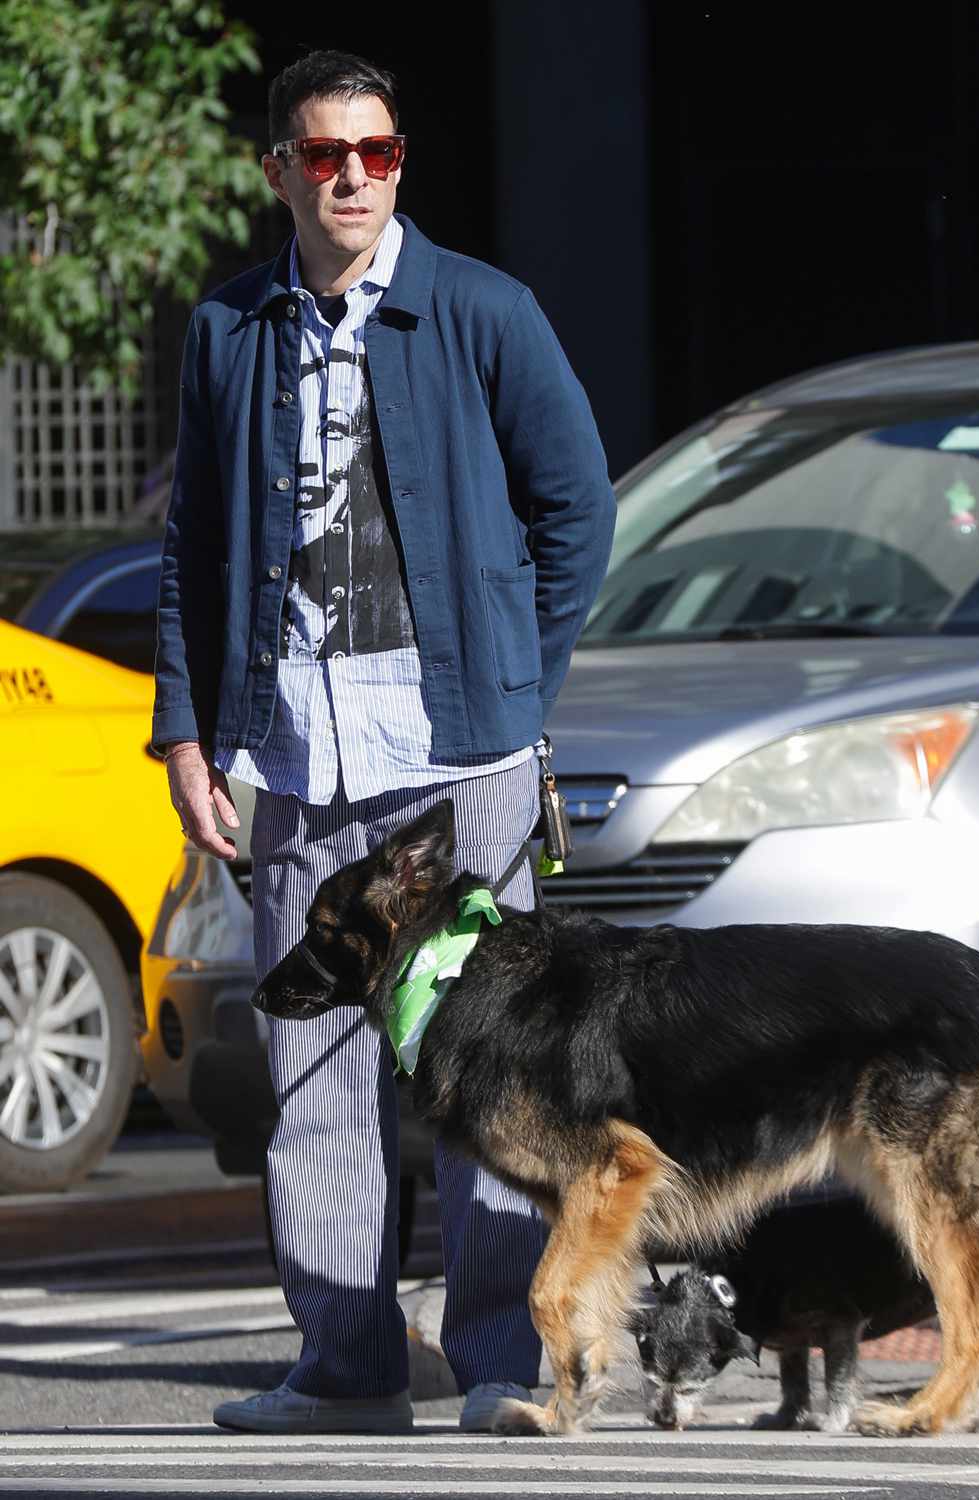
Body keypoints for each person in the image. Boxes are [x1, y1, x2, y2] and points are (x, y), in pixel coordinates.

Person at [152, 49, 616, 1435]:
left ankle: (497, 1364)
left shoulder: (481, 310)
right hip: (294, 755)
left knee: (485, 1070)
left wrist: (510, 685)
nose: (351, 176)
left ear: (399, 163)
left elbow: (575, 509)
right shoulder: (228, 327)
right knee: (312, 1074)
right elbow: (192, 549)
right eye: (322, 154)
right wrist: (184, 733)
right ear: (278, 169)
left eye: (377, 152)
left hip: (453, 753)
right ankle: (347, 1368)